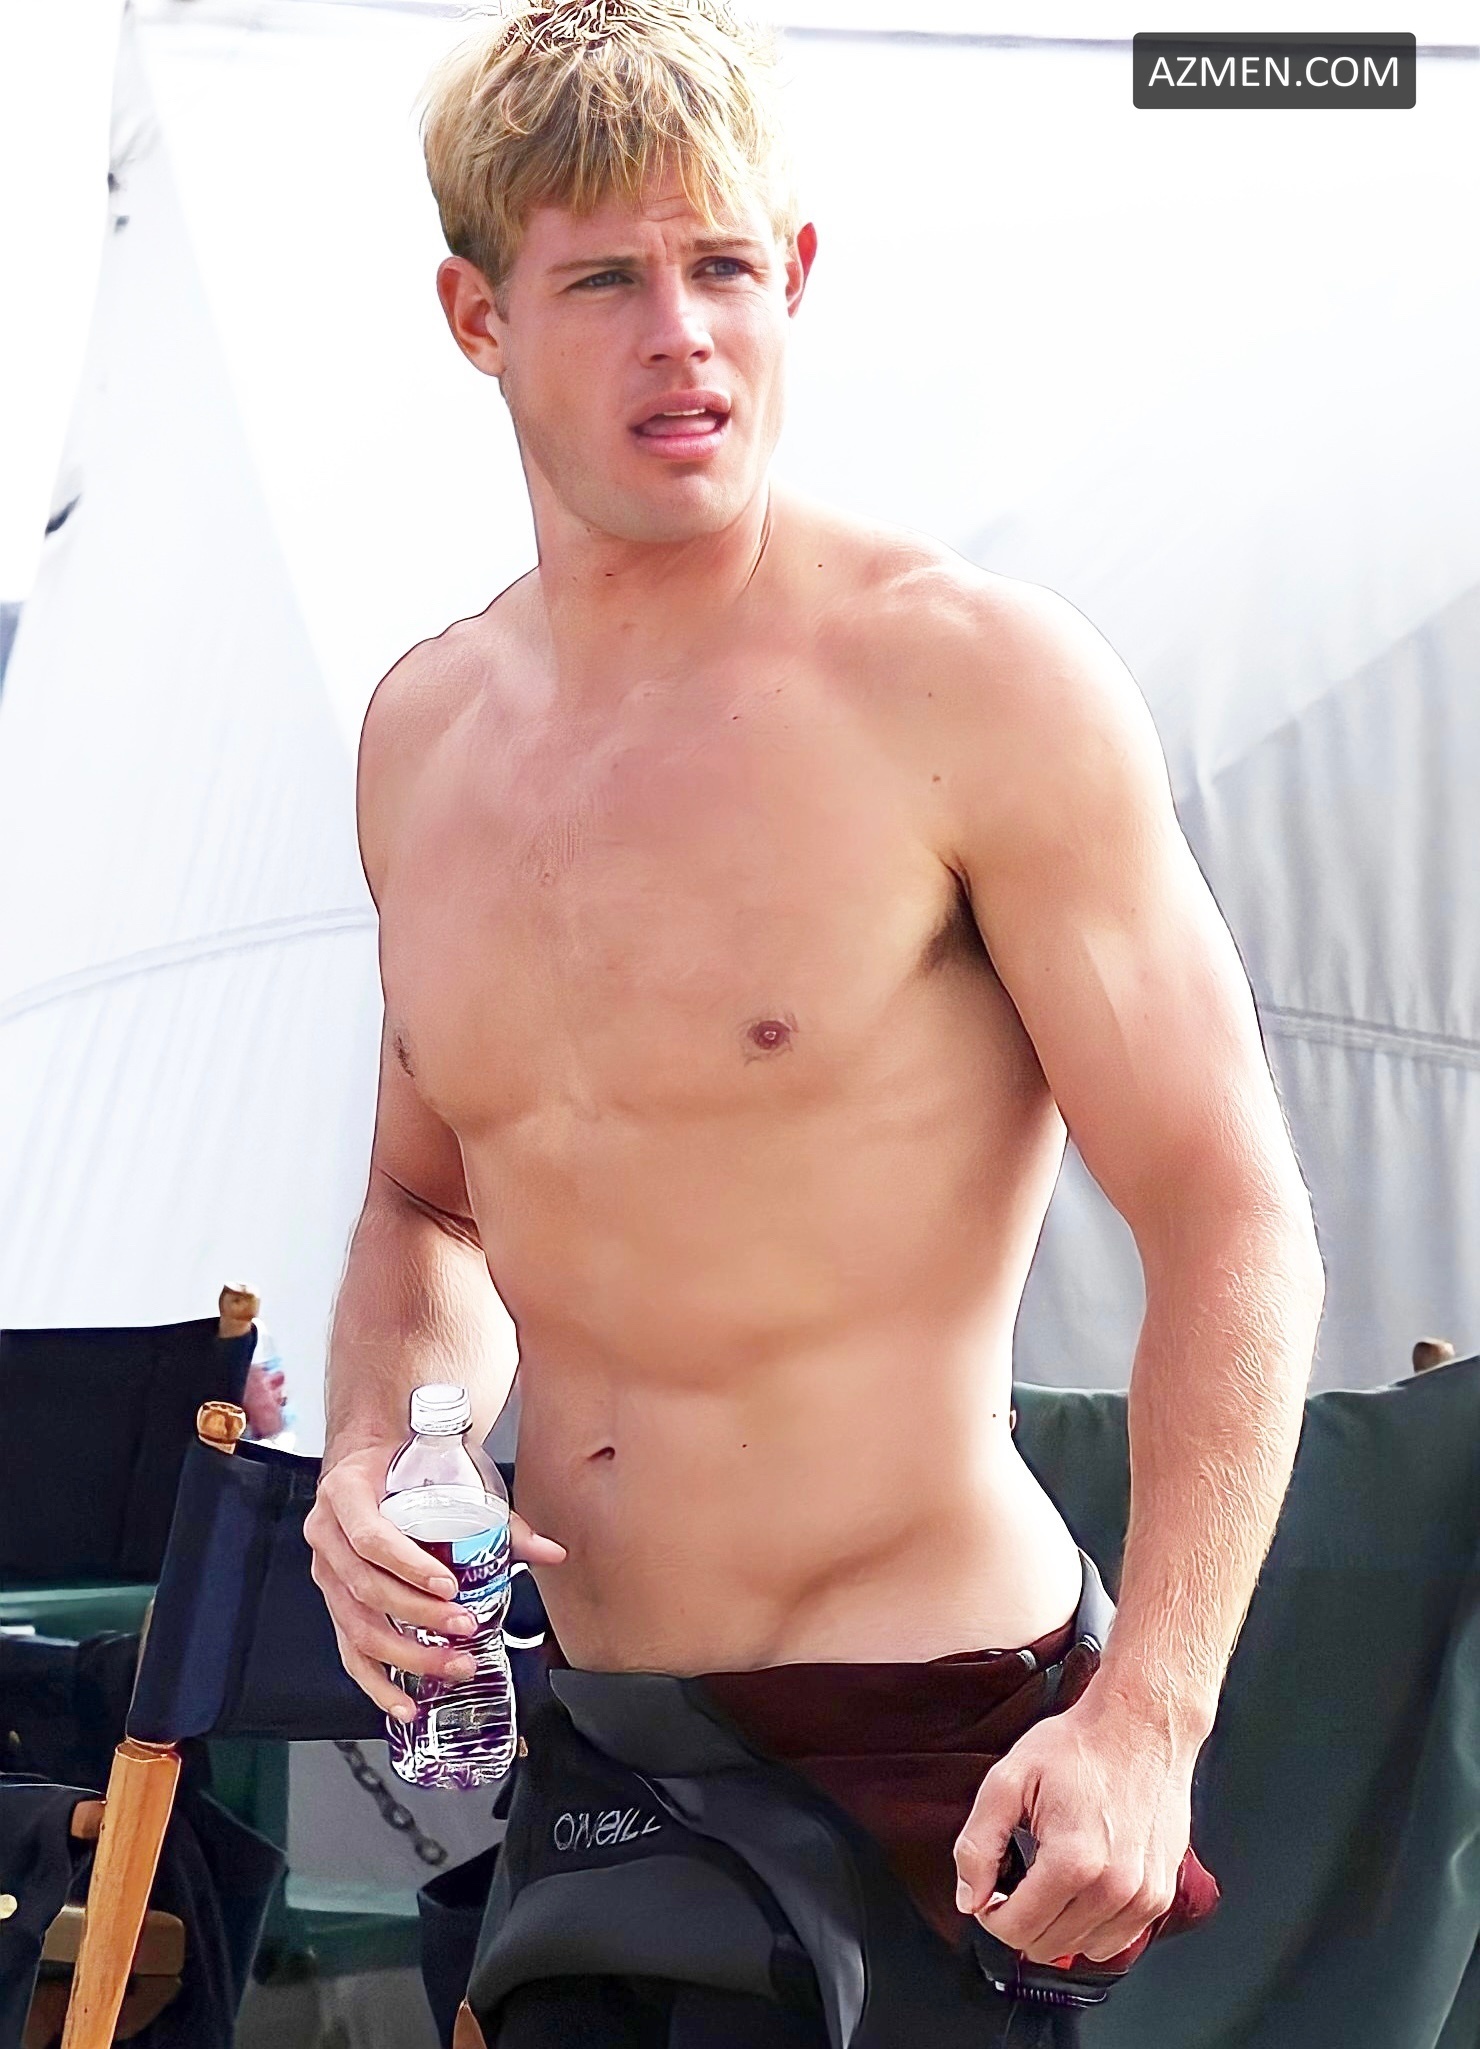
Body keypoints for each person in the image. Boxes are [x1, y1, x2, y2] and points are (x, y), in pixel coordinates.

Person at [304, 0, 1326, 2035]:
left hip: (924, 1748)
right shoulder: (425, 736)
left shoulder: (968, 684)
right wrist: (371, 1452)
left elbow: (1233, 1214)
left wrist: (1150, 1714)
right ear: (475, 314)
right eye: (604, 280)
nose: (682, 335)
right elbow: (428, 1207)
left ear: (795, 276)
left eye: (723, 267)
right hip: (592, 1744)